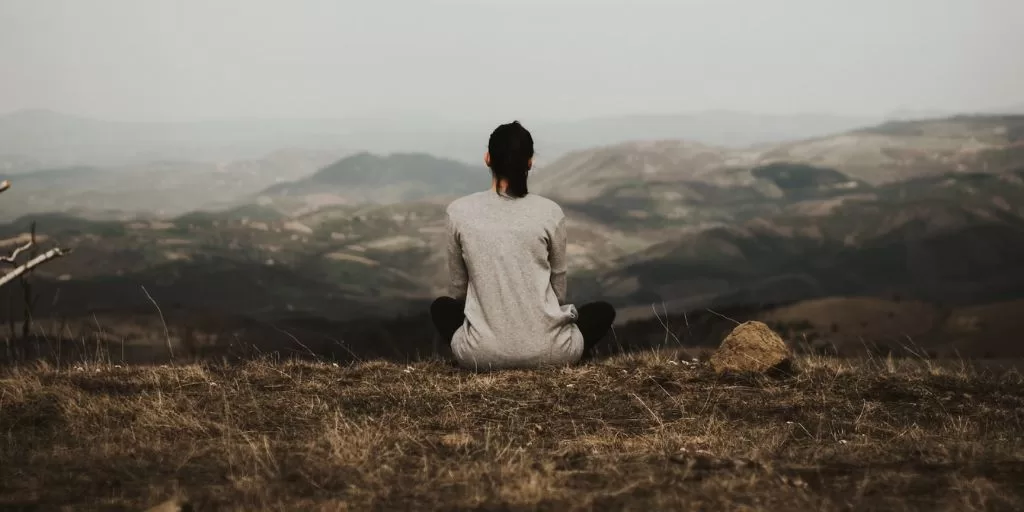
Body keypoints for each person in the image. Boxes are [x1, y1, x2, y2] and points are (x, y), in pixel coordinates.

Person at [430, 120, 616, 370]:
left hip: (480, 355)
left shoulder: (458, 212)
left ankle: (490, 347)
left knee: (441, 308)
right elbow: (558, 292)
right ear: (530, 162)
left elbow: (459, 291)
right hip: (552, 352)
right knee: (602, 311)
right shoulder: (550, 212)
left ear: (487, 158)